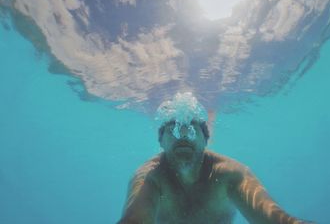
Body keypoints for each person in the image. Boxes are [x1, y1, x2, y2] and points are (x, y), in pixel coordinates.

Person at [117, 92, 314, 224]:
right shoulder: (151, 177)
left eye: (193, 128)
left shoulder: (229, 174)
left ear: (206, 139)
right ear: (161, 140)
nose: (184, 135)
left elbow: (276, 220)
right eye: (173, 129)